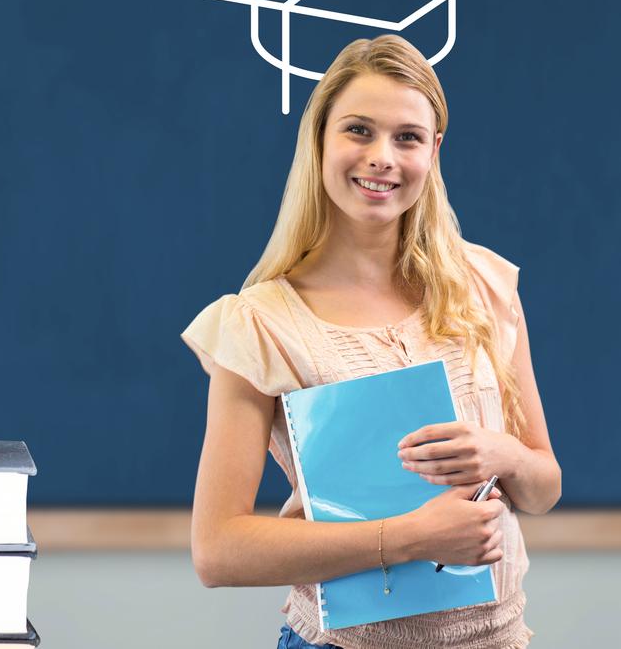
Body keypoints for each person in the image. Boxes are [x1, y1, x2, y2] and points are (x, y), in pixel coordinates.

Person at [180, 34, 561, 648]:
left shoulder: (484, 287)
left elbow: (543, 487)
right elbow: (217, 551)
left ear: (433, 151)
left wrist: (503, 455)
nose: (382, 156)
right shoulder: (261, 323)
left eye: (407, 136)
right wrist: (413, 537)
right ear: (320, 140)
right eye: (358, 130)